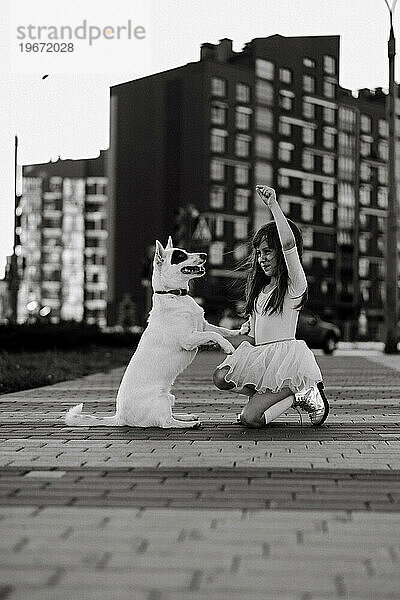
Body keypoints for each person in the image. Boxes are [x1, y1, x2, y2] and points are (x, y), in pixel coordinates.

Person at [213, 185, 329, 428]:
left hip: (286, 361)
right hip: (262, 360)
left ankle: (299, 391)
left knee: (250, 420)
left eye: (268, 252)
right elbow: (253, 338)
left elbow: (288, 245)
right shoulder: (257, 293)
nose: (261, 258)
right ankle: (276, 395)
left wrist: (273, 206)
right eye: (258, 253)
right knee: (221, 377)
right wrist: (213, 337)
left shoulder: (294, 287)